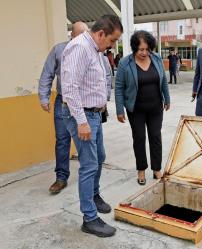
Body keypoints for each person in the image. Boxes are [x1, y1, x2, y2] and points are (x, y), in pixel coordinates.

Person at [61, 15, 123, 237]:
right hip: (81, 116)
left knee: (100, 157)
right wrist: (82, 121)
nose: (113, 45)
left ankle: (94, 195)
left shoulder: (94, 50)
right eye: (112, 40)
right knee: (89, 165)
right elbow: (70, 88)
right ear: (100, 34)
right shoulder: (80, 48)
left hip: (94, 114)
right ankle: (89, 218)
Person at [38, 22, 88, 194]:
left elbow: (103, 72)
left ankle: (89, 176)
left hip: (85, 103)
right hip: (63, 102)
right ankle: (61, 178)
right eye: (80, 34)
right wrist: (44, 97)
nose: (83, 38)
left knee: (87, 140)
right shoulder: (59, 50)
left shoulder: (92, 50)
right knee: (62, 140)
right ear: (72, 35)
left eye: (86, 34)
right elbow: (47, 74)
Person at [115, 30, 170, 186]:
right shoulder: (125, 63)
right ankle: (141, 170)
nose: (144, 53)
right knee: (139, 138)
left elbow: (163, 80)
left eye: (147, 49)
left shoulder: (157, 59)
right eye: (141, 50)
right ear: (134, 48)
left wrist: (167, 98)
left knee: (155, 137)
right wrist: (119, 109)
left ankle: (157, 169)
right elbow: (119, 87)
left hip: (155, 107)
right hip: (136, 109)